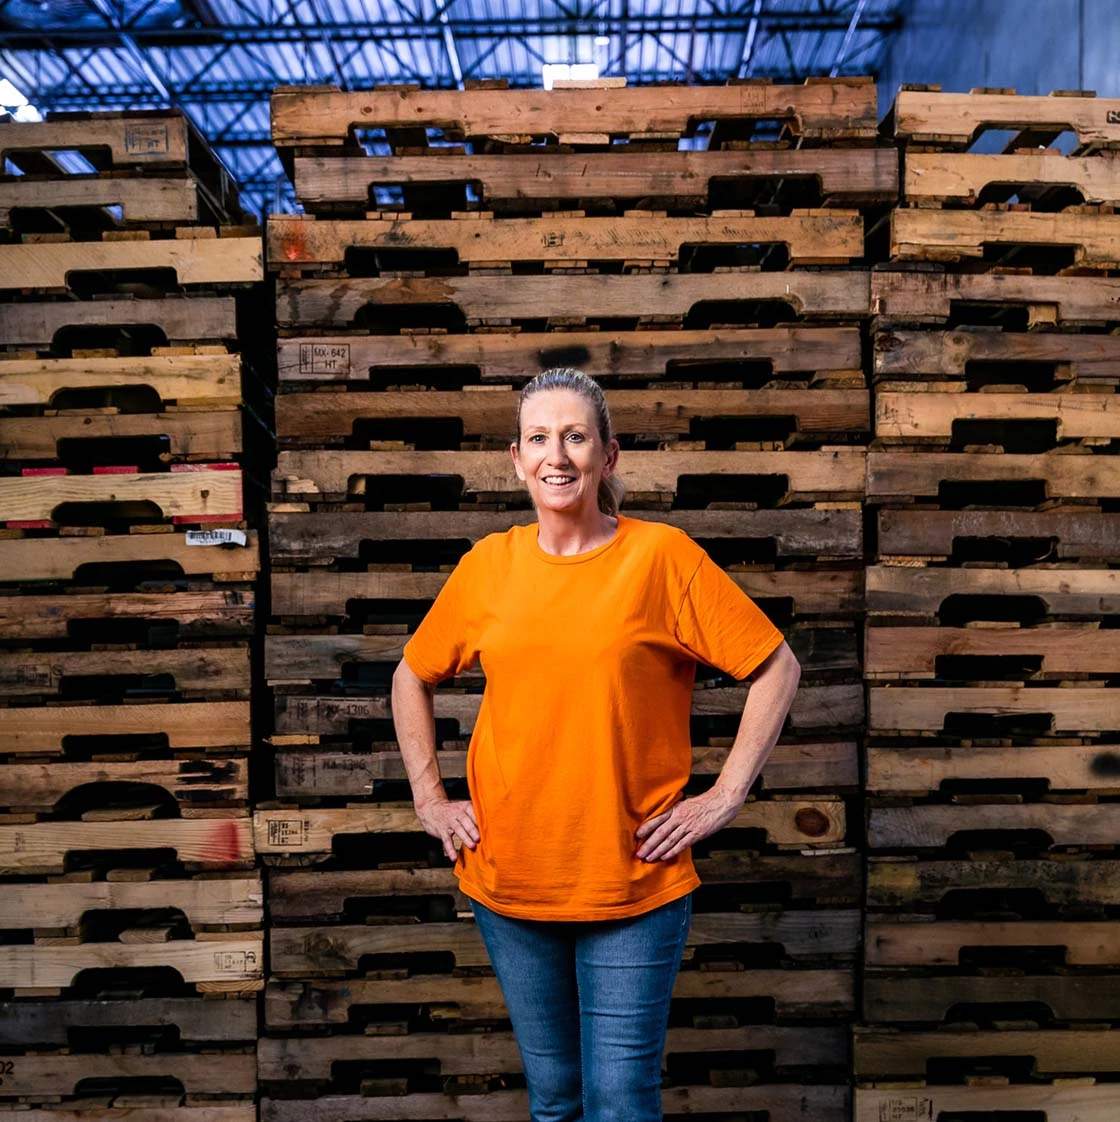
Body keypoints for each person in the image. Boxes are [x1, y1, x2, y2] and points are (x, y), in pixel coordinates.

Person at [391, 368, 802, 1122]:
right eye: (541, 438)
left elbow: (777, 666)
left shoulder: (663, 559)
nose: (558, 455)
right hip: (511, 881)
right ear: (516, 459)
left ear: (608, 457)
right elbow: (410, 675)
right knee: (555, 1101)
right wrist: (431, 799)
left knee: (617, 1103)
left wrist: (724, 796)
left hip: (633, 881)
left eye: (576, 437)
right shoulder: (489, 566)